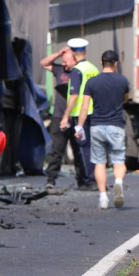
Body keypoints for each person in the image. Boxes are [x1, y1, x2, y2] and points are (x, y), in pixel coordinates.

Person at [76, 50, 131, 209]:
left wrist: (79, 128)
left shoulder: (92, 82)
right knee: (119, 161)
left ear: (101, 63)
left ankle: (103, 198)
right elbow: (125, 99)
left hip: (97, 126)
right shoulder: (123, 81)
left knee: (99, 162)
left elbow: (85, 107)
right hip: (116, 126)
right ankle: (118, 182)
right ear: (116, 64)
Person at [39, 45, 87, 189]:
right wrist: (59, 54)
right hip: (59, 116)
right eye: (63, 61)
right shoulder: (60, 69)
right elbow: (44, 63)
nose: (64, 63)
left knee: (78, 151)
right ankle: (51, 180)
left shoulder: (79, 72)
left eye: (67, 61)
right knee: (56, 150)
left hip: (75, 117)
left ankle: (82, 181)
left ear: (75, 59)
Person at [59, 38, 99, 190]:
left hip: (80, 114)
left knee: (82, 148)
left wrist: (65, 116)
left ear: (73, 54)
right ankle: (94, 178)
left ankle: (89, 180)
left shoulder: (77, 71)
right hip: (93, 112)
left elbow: (74, 96)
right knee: (92, 147)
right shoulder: (93, 68)